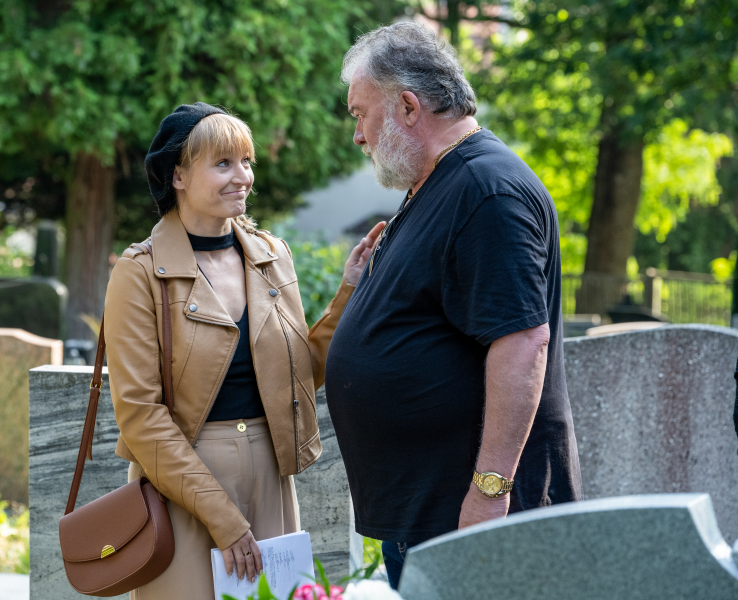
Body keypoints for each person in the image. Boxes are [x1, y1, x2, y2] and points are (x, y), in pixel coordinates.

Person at [325, 23, 583, 589]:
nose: (358, 136)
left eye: (360, 114)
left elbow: (522, 342)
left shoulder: (487, 190)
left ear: (408, 106)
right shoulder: (437, 183)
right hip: (431, 514)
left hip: (472, 520)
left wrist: (489, 494)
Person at [103, 102, 384, 600]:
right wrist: (222, 518)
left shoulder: (272, 256)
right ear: (177, 176)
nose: (243, 177)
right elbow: (140, 415)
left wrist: (349, 292)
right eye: (223, 163)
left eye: (247, 162)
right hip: (182, 485)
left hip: (271, 475)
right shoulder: (141, 272)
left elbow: (298, 376)